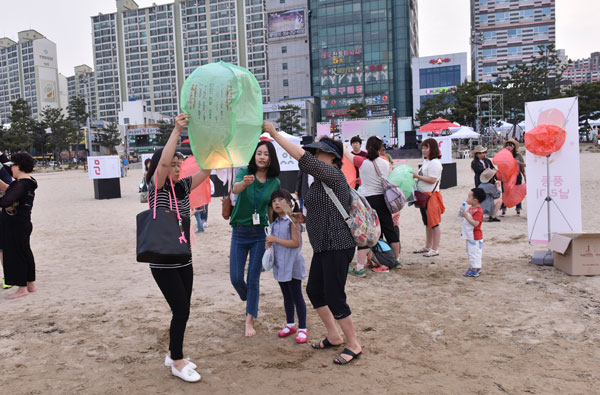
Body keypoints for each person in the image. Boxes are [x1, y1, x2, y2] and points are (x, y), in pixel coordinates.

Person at [264, 121, 362, 366]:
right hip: (323, 244)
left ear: (331, 157)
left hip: (337, 243)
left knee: (335, 296)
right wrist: (304, 218)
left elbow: (301, 158)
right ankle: (333, 335)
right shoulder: (320, 183)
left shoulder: (332, 173)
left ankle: (353, 344)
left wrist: (274, 134)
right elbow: (327, 210)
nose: (313, 156)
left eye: (317, 153)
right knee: (315, 291)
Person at [145, 113, 211, 382]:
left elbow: (206, 171)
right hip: (162, 260)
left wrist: (211, 142)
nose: (174, 167)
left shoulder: (183, 186)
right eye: (171, 164)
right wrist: (175, 130)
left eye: (177, 163)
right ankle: (177, 360)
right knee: (181, 310)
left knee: (184, 309)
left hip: (184, 257)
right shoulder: (157, 187)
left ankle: (173, 353)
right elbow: (161, 162)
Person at [229, 140, 280, 337]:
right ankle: (250, 297)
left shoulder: (274, 181)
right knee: (235, 278)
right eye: (259, 153)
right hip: (240, 232)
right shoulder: (244, 173)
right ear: (254, 155)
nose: (262, 157)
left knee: (253, 279)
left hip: (260, 234)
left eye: (266, 154)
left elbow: (272, 207)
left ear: (270, 158)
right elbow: (235, 189)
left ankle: (249, 318)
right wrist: (244, 184)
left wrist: (275, 230)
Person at [344, 136, 401, 275]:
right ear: (381, 148)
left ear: (367, 147)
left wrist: (344, 147)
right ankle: (396, 260)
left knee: (365, 233)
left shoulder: (362, 162)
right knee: (390, 230)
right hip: (383, 199)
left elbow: (348, 155)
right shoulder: (385, 162)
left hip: (368, 201)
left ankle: (359, 267)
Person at [266, 189, 307, 344]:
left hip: (293, 264)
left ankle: (303, 328)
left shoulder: (292, 220)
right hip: (280, 264)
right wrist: (269, 242)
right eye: (274, 200)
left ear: (289, 203)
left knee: (297, 296)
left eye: (280, 199)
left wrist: (275, 239)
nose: (277, 203)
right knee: (286, 296)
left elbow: (295, 243)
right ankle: (290, 324)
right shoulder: (275, 222)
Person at [0, 153, 38, 300]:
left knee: (16, 254)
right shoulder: (28, 181)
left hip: (16, 223)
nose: (11, 169)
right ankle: (30, 285)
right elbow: (8, 168)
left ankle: (22, 288)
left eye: (13, 166)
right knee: (25, 251)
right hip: (23, 222)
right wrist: (1, 155)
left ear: (19, 166)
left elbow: (5, 202)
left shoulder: (22, 184)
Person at [412, 138, 445, 257]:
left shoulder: (435, 163)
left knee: (434, 223)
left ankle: (435, 248)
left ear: (433, 148)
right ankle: (427, 246)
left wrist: (417, 177)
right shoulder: (427, 161)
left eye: (426, 148)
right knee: (427, 223)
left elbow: (432, 180)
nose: (424, 150)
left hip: (432, 196)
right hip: (423, 196)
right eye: (423, 148)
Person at [459, 188, 485, 278]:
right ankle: (475, 267)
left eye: (469, 197)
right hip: (470, 236)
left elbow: (476, 223)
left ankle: (475, 269)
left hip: (475, 236)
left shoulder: (478, 211)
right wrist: (464, 214)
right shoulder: (472, 208)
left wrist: (466, 216)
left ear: (475, 200)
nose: (467, 198)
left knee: (474, 252)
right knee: (471, 251)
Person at [500, 138, 526, 216]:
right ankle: (503, 210)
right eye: (507, 145)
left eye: (510, 145)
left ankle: (518, 210)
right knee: (505, 192)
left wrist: (525, 176)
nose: (509, 146)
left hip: (517, 175)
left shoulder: (518, 155)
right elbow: (500, 165)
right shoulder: (503, 155)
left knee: (517, 192)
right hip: (506, 176)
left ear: (514, 146)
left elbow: (523, 167)